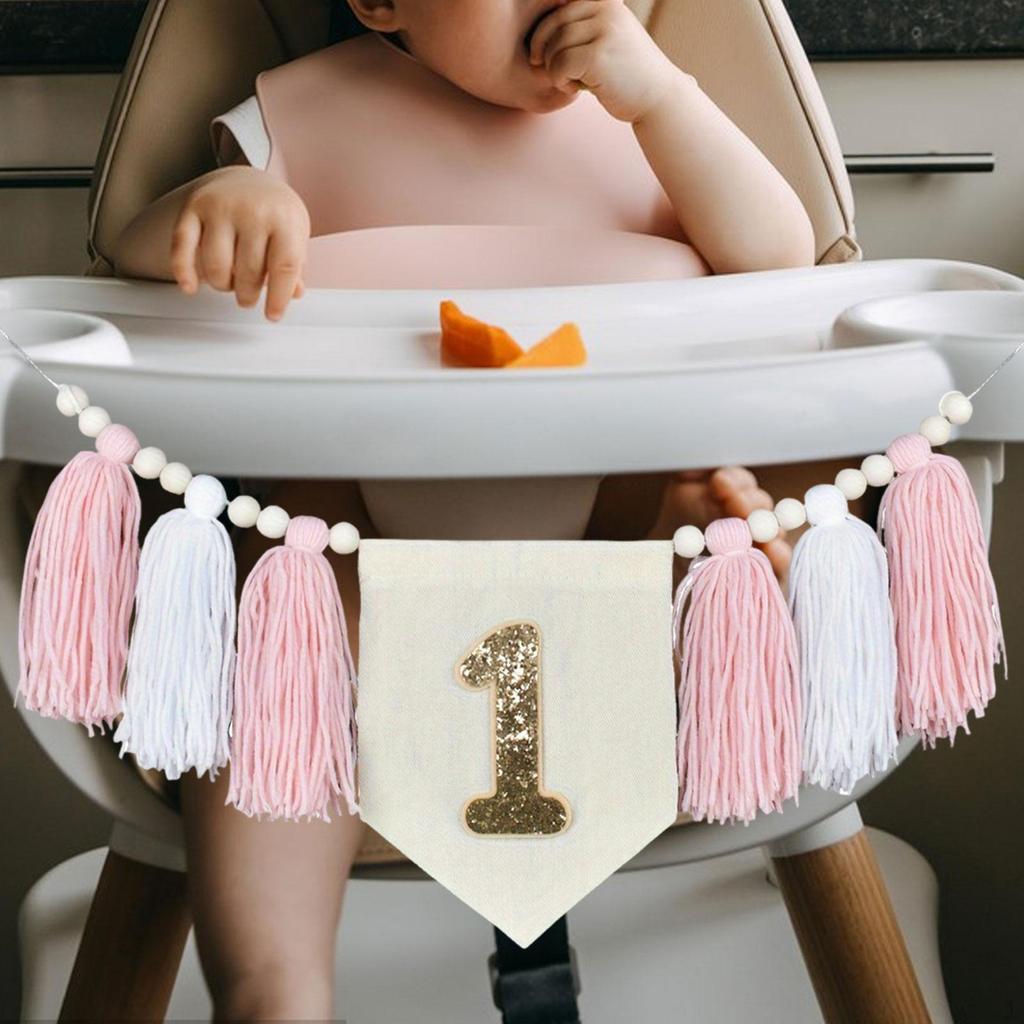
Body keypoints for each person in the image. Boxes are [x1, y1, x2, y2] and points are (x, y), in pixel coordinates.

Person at [110, 2, 825, 1017]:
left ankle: (694, 560)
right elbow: (141, 263)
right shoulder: (295, 118)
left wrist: (663, 96)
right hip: (361, 544)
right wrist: (222, 201)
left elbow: (778, 261)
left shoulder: (657, 125)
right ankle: (272, 982)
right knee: (279, 617)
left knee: (700, 504)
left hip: (613, 532)